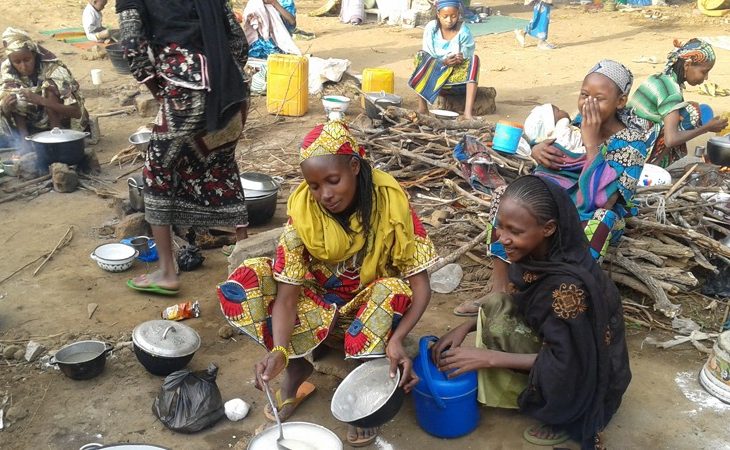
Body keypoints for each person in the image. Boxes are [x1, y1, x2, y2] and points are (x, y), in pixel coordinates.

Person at [219, 120, 437, 447]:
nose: (325, 195)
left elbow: (421, 287)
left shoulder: (390, 203)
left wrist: (399, 339)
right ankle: (295, 371)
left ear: (353, 166)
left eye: (333, 181)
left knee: (390, 290)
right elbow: (288, 297)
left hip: (368, 313)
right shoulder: (304, 214)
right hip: (315, 311)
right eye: (315, 186)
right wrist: (279, 350)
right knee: (248, 277)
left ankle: (362, 385)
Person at [434, 175, 631, 449]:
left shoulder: (567, 289)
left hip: (587, 373)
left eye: (515, 231)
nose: (503, 239)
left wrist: (487, 358)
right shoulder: (541, 258)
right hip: (569, 346)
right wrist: (468, 326)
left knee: (511, 336)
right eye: (500, 227)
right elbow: (520, 304)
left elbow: (568, 362)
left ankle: (561, 415)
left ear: (548, 228)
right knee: (496, 304)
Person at [454, 60, 655, 316]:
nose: (588, 104)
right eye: (584, 95)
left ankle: (560, 295)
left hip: (588, 216)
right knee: (506, 195)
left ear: (621, 101)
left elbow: (600, 200)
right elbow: (549, 153)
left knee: (604, 219)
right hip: (555, 205)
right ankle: (499, 289)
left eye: (599, 98)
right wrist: (538, 150)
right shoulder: (574, 125)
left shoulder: (632, 144)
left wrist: (592, 144)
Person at [117, 0, 250, 296]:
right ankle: (246, 259)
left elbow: (132, 46)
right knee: (221, 164)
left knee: (156, 172)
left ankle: (166, 272)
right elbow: (239, 44)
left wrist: (161, 91)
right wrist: (223, 77)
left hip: (186, 91)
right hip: (234, 92)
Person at [628, 38, 727, 168]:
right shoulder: (672, 91)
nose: (706, 78)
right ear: (687, 65)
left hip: (627, 139)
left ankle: (654, 164)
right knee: (692, 112)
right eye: (704, 72)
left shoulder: (662, 78)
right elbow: (671, 140)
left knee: (682, 113)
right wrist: (706, 128)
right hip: (634, 147)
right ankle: (653, 165)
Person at [0, 28, 88, 151]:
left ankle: (56, 142)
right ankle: (24, 143)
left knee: (49, 89)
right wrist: (6, 106)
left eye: (27, 60)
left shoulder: (55, 70)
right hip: (34, 122)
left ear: (34, 55)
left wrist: (40, 100)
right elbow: (5, 104)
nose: (23, 66)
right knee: (15, 97)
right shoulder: (7, 70)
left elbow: (76, 112)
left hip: (65, 121)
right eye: (17, 62)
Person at [408, 0, 480, 119]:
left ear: (458, 14)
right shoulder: (431, 28)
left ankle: (467, 113)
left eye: (453, 16)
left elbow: (467, 53)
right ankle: (423, 108)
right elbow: (428, 53)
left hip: (456, 80)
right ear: (438, 14)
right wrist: (443, 62)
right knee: (421, 56)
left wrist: (460, 58)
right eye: (445, 16)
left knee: (474, 60)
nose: (449, 20)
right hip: (434, 76)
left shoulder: (464, 32)